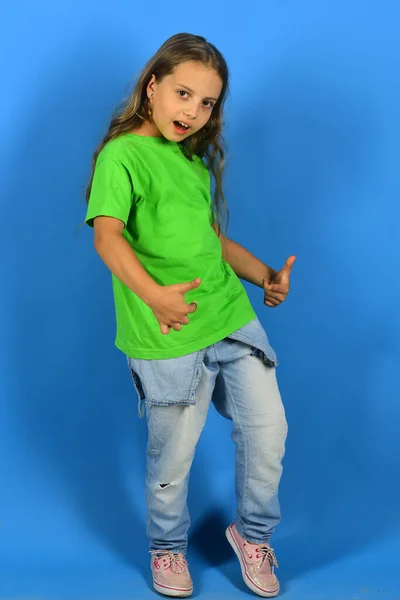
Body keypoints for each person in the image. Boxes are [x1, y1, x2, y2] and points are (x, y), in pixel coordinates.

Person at [85, 32, 295, 598]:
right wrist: (155, 296)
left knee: (268, 428)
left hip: (228, 315)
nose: (193, 112)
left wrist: (264, 276)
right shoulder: (122, 155)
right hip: (167, 330)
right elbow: (107, 236)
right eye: (182, 93)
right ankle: (166, 548)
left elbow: (213, 242)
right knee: (173, 455)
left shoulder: (192, 164)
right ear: (152, 86)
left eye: (206, 103)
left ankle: (252, 535)